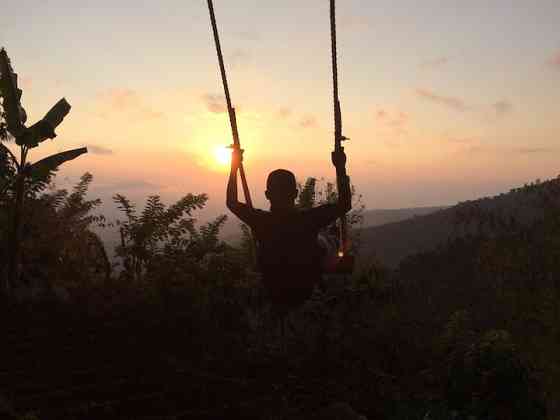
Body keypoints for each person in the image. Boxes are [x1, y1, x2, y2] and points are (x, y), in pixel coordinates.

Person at [226, 147, 352, 309]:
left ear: (267, 195)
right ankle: (330, 245)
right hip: (304, 291)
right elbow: (345, 204)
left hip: (274, 292)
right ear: (295, 193)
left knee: (322, 240)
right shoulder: (309, 220)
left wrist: (234, 165)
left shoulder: (261, 221)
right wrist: (340, 167)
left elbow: (231, 202)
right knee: (326, 240)